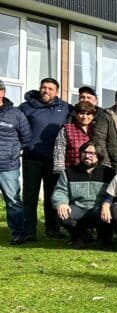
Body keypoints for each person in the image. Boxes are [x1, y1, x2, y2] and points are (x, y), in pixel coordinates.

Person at [19, 77, 73, 240]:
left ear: (56, 92)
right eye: (43, 87)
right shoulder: (26, 107)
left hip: (55, 160)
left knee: (53, 195)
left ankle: (53, 229)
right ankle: (29, 231)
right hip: (31, 158)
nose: (46, 91)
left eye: (50, 88)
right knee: (30, 196)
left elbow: (84, 116)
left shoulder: (65, 108)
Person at [52, 142, 115, 249]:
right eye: (84, 152)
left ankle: (104, 237)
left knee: (110, 212)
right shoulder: (69, 172)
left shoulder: (108, 173)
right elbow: (60, 191)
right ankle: (82, 236)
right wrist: (61, 203)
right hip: (78, 207)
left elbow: (115, 193)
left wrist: (107, 206)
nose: (87, 156)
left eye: (92, 153)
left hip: (99, 208)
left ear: (99, 156)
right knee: (62, 214)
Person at [0, 79, 31, 245]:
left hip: (8, 167)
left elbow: (26, 138)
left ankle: (19, 233)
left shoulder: (16, 114)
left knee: (12, 201)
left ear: (2, 93)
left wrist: (12, 153)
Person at [53, 100, 97, 173]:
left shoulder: (97, 129)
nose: (85, 117)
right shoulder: (66, 129)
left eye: (88, 114)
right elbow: (59, 151)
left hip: (93, 171)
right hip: (71, 171)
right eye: (82, 113)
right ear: (76, 115)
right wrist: (59, 172)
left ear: (93, 116)